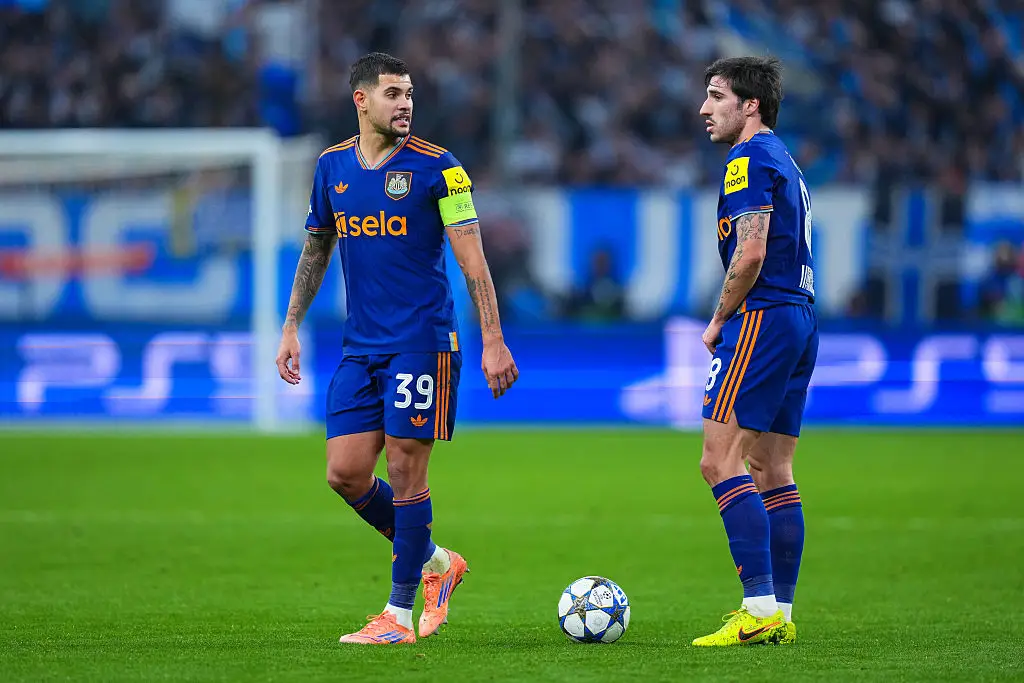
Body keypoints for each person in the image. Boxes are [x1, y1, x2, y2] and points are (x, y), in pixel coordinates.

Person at [275, 52, 519, 645]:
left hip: (422, 344)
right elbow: (316, 251)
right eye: (392, 93)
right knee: (345, 473)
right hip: (361, 349)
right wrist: (290, 327)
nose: (405, 102)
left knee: (406, 470)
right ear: (361, 100)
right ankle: (437, 562)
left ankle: (399, 615)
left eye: (409, 92)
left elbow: (473, 261)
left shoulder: (443, 169)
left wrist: (492, 339)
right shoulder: (331, 167)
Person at [692, 56, 817, 647]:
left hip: (762, 317)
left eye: (716, 96)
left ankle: (758, 606)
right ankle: (781, 616)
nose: (704, 108)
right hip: (800, 318)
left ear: (750, 106)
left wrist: (719, 319)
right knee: (773, 467)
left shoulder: (746, 159)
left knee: (719, 461)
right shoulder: (785, 160)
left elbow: (750, 252)